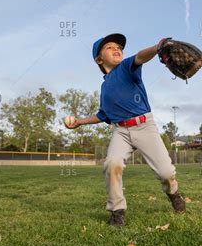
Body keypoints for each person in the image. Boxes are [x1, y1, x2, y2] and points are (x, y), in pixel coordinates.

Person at [69, 33, 186, 227]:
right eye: (109, 47)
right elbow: (103, 115)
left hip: (144, 126)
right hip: (121, 131)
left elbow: (140, 56)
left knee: (165, 172)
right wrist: (80, 122)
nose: (117, 49)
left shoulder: (125, 68)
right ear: (99, 59)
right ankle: (117, 211)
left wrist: (158, 47)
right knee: (112, 164)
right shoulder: (105, 87)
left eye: (119, 47)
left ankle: (173, 194)